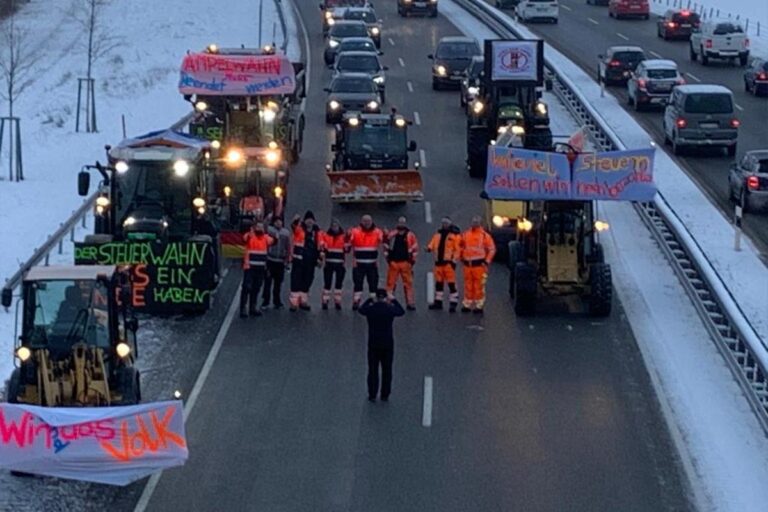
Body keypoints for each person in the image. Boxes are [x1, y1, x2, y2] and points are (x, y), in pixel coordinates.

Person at [359, 288, 405, 402]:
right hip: (387, 344)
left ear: (376, 297)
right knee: (387, 370)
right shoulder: (389, 309)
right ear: (385, 298)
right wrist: (393, 300)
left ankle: (372, 393)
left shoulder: (371, 309)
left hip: (373, 343)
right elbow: (401, 311)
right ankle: (385, 394)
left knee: (373, 370)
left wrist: (370, 299)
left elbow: (361, 310)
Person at [460, 215, 496, 314]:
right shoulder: (465, 235)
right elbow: (461, 246)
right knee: (468, 285)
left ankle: (479, 305)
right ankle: (467, 304)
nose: (474, 224)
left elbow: (492, 249)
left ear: (480, 224)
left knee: (479, 286)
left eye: (476, 222)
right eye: (473, 222)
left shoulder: (484, 236)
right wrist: (461, 257)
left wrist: (487, 261)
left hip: (479, 265)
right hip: (468, 265)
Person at [348, 214, 384, 310]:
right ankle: (356, 301)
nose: (367, 223)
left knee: (373, 284)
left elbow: (384, 240)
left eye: (368, 221)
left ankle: (373, 301)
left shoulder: (377, 232)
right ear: (361, 221)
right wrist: (347, 236)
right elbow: (348, 243)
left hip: (372, 264)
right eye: (365, 221)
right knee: (358, 284)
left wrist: (386, 235)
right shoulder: (355, 232)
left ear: (372, 221)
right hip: (358, 264)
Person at [426, 216, 462, 312]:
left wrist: (454, 261)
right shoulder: (438, 235)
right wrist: (429, 248)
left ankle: (453, 304)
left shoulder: (455, 236)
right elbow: (433, 244)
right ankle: (438, 302)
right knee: (439, 284)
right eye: (443, 223)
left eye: (446, 223)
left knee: (451, 284)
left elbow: (457, 250)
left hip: (448, 263)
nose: (444, 225)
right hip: (438, 263)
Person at [241, 220, 274, 318]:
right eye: (258, 227)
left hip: (260, 267)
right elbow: (245, 238)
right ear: (254, 228)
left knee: (256, 288)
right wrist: (251, 232)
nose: (260, 229)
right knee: (247, 287)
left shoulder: (265, 237)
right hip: (249, 267)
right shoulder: (250, 236)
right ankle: (243, 308)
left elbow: (274, 240)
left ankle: (252, 307)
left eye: (261, 227)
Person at [289, 210, 321, 311]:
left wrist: (319, 259)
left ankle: (303, 301)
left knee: (307, 281)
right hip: (299, 260)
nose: (309, 222)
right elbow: (293, 226)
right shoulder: (299, 229)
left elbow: (320, 246)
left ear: (314, 221)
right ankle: (294, 303)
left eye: (311, 220)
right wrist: (295, 220)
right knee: (296, 281)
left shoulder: (317, 233)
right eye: (308, 220)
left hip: (310, 262)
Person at [384, 216, 418, 311]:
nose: (401, 224)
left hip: (405, 263)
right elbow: (386, 246)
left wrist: (412, 261)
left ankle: (410, 303)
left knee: (408, 284)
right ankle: (389, 301)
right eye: (400, 222)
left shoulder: (410, 235)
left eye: (403, 223)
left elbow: (415, 248)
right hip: (394, 263)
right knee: (391, 284)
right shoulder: (392, 234)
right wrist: (388, 260)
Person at [262, 216, 292, 309]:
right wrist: (267, 219)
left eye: (280, 222)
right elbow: (264, 227)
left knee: (278, 283)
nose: (278, 223)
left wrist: (287, 259)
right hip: (270, 260)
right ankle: (265, 301)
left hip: (280, 261)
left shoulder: (286, 233)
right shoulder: (270, 230)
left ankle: (277, 301)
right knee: (267, 282)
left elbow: (288, 246)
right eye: (276, 222)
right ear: (274, 223)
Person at [320, 219, 348, 310]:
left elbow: (347, 250)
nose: (334, 228)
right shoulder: (326, 236)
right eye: (333, 226)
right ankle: (325, 301)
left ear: (339, 226)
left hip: (340, 264)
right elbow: (322, 248)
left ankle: (337, 301)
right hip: (329, 263)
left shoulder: (344, 237)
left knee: (338, 284)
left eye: (336, 226)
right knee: (327, 284)